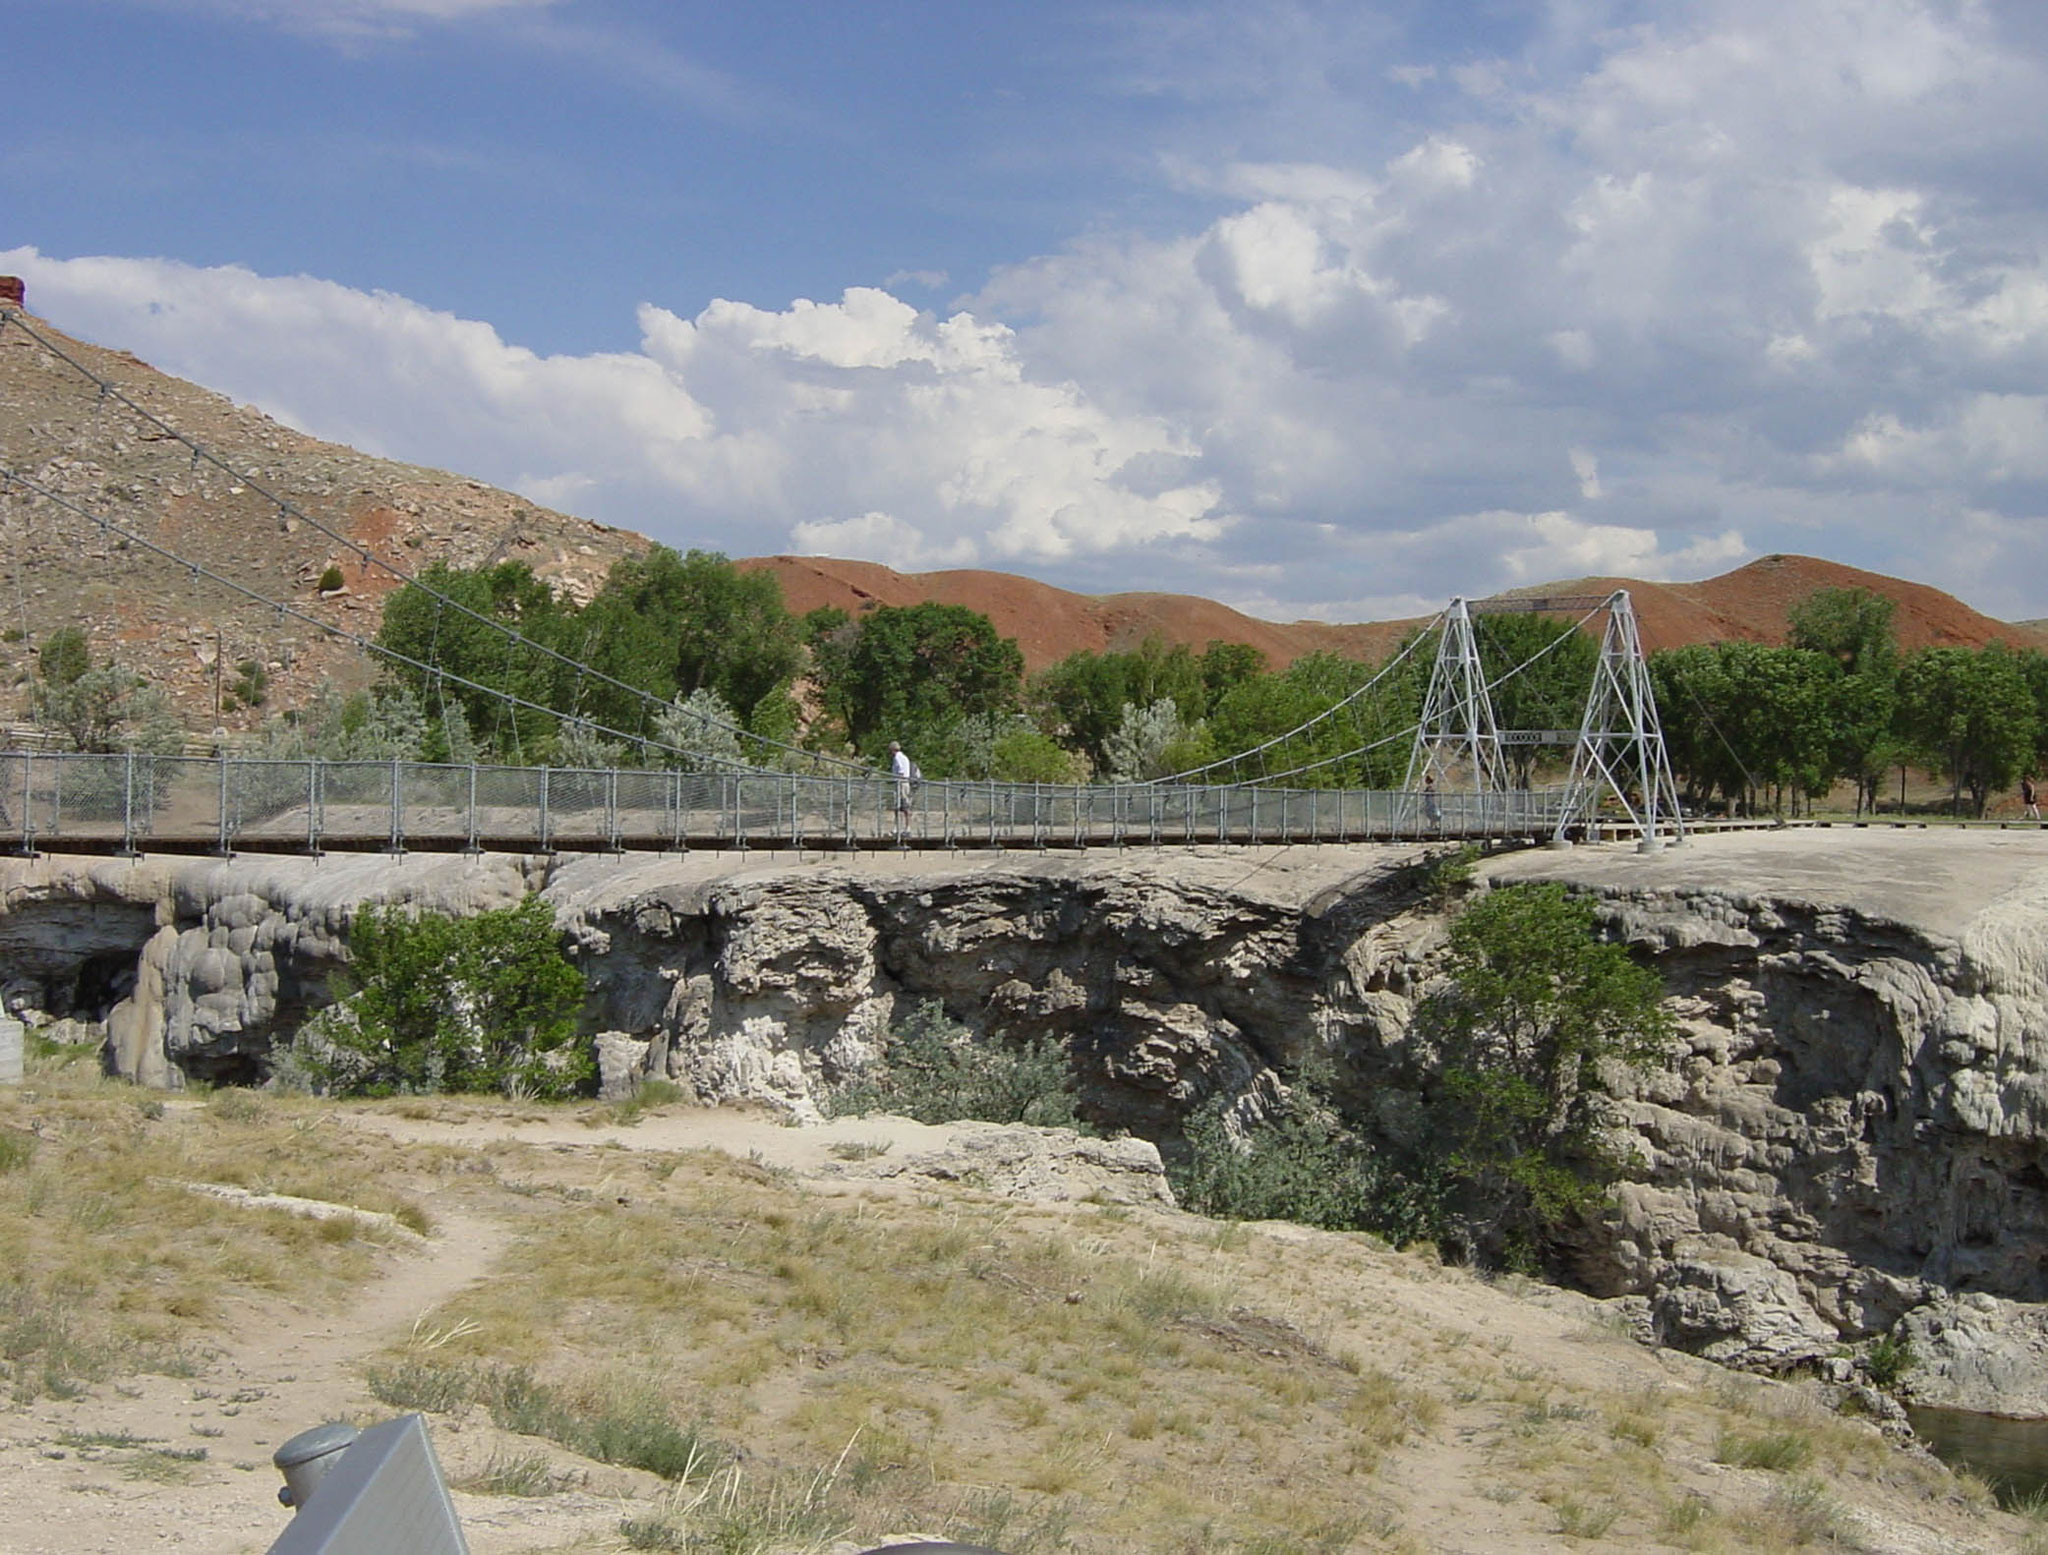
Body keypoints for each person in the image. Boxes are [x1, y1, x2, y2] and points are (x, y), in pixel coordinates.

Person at [889, 741, 916, 831]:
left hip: (901, 783)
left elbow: (901, 770)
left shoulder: (897, 757)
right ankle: (906, 827)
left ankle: (899, 828)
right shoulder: (904, 757)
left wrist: (897, 779)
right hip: (905, 782)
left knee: (900, 805)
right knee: (904, 805)